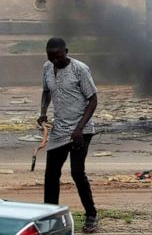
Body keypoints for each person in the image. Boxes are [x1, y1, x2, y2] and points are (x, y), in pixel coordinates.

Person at [38, 37, 99, 233]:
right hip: (59, 129)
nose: (54, 60)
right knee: (51, 174)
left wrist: (79, 129)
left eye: (58, 56)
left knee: (77, 172)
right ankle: (50, 216)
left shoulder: (80, 69)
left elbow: (93, 100)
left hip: (80, 130)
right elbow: (46, 91)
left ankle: (91, 215)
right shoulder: (47, 67)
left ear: (66, 51)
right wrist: (43, 112)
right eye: (50, 56)